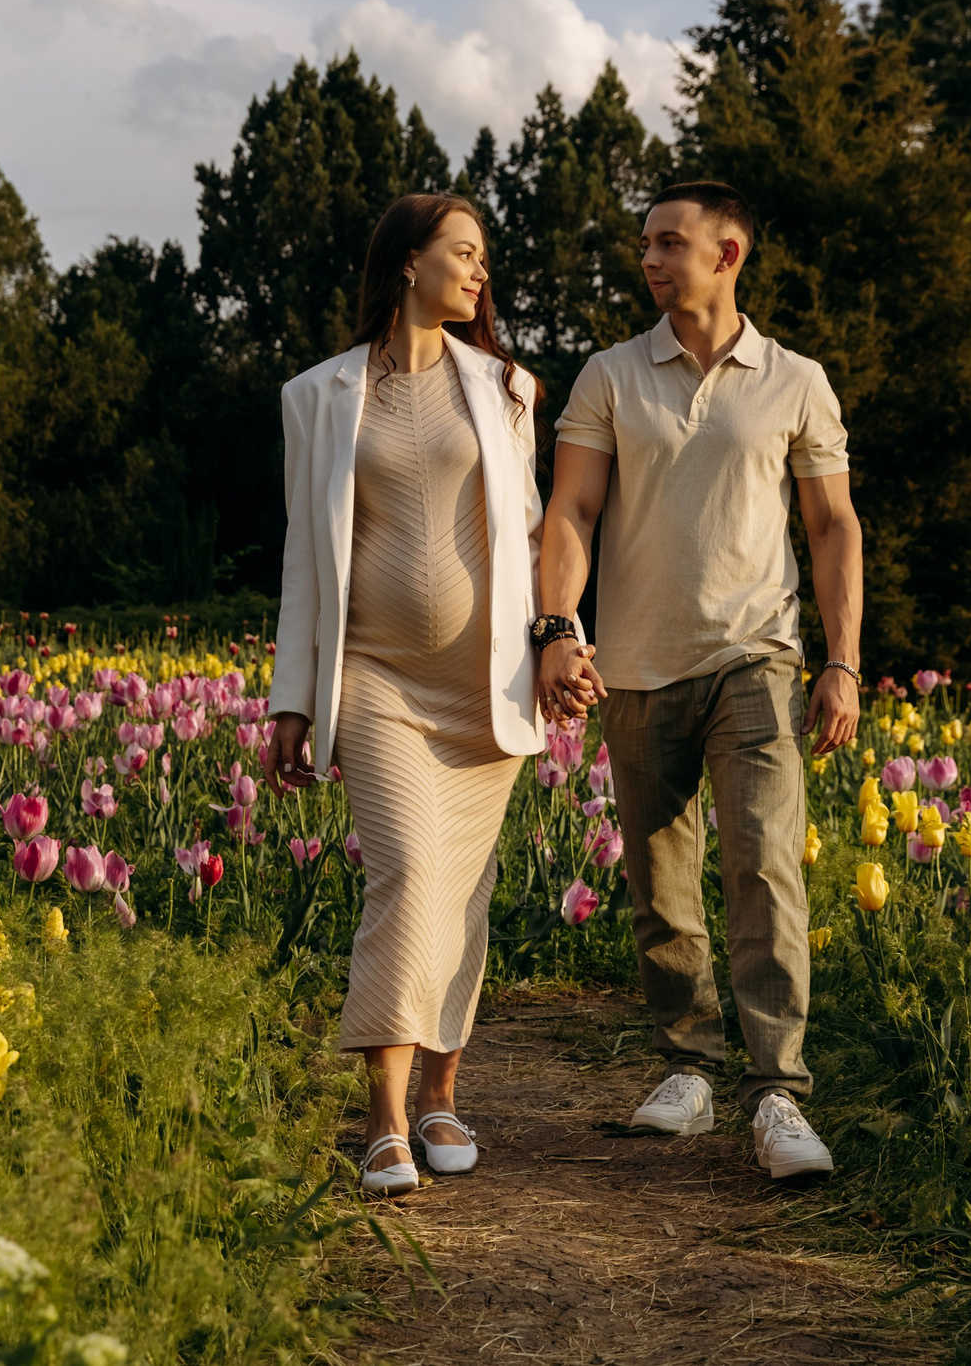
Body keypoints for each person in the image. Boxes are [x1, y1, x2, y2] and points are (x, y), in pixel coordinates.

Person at [534, 179, 862, 1179]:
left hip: (755, 653)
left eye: (671, 242)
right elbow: (572, 512)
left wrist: (841, 658)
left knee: (763, 860)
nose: (651, 257)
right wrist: (555, 629)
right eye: (644, 243)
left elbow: (831, 525)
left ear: (729, 254)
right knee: (658, 876)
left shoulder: (794, 378)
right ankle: (686, 1066)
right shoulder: (608, 375)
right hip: (633, 662)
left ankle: (776, 1091)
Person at [268, 193, 546, 1198]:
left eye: (482, 257)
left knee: (461, 896)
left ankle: (441, 1093)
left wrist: (561, 640)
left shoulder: (509, 386)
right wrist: (290, 697)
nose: (479, 272)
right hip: (376, 677)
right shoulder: (318, 394)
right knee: (410, 874)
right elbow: (308, 552)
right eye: (461, 253)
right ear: (406, 266)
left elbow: (531, 535)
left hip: (485, 688)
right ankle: (382, 1115)